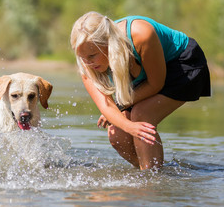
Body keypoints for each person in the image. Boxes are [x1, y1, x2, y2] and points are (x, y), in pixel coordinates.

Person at [70, 11, 211, 170]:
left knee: (141, 114)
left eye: (92, 55)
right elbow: (106, 106)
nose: (87, 63)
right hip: (143, 74)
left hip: (181, 64)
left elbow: (155, 83)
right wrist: (125, 123)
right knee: (117, 134)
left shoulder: (141, 34)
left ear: (108, 44)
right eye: (82, 57)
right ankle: (151, 174)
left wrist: (122, 111)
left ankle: (151, 181)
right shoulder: (86, 64)